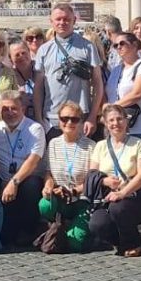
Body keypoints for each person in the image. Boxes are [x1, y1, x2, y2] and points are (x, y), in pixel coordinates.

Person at [87, 104, 141, 256]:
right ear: (105, 122)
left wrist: (122, 192)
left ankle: (134, 243)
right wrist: (105, 181)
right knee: (96, 224)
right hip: (107, 198)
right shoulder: (100, 146)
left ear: (126, 121)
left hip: (136, 197)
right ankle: (121, 242)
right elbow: (92, 174)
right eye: (111, 120)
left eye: (119, 119)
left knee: (119, 208)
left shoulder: (138, 144)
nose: (116, 123)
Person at [33, 4, 104, 134]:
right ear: (51, 22)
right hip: (52, 119)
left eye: (66, 19)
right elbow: (38, 87)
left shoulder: (87, 47)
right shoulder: (44, 50)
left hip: (80, 117)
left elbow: (98, 84)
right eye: (58, 19)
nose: (62, 22)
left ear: (74, 21)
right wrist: (39, 118)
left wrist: (92, 116)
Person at [0, 90, 47, 245]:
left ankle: (29, 230)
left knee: (31, 185)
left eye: (14, 108)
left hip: (25, 181)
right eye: (5, 109)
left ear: (23, 109)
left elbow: (32, 161)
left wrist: (14, 183)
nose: (10, 112)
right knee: (6, 237)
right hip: (3, 182)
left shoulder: (35, 129)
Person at [38, 101, 94, 252]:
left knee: (75, 243)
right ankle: (57, 224)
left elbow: (91, 181)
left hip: (81, 200)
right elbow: (48, 172)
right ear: (59, 120)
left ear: (81, 122)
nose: (69, 122)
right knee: (44, 204)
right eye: (64, 119)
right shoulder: (53, 143)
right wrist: (48, 185)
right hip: (60, 197)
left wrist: (74, 191)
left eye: (75, 119)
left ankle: (81, 228)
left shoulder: (91, 146)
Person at [105, 31, 141, 149]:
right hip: (115, 129)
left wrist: (111, 109)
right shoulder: (116, 69)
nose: (118, 47)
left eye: (122, 43)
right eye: (115, 45)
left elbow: (137, 93)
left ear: (134, 45)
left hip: (139, 129)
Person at [8, 39, 36, 118]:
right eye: (17, 55)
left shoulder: (41, 70)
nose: (22, 56)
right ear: (10, 59)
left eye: (24, 53)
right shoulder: (10, 77)